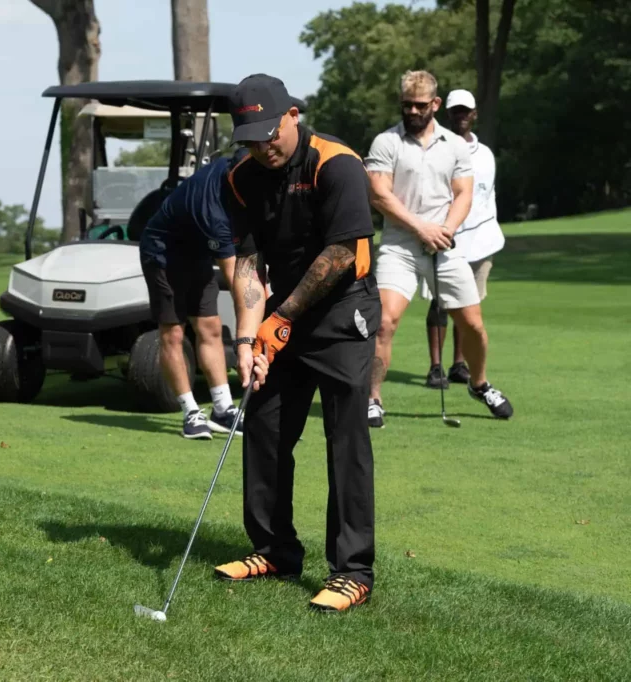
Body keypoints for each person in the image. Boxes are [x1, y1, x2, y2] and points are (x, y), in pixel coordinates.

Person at [213, 73, 379, 614]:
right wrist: (246, 335)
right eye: (251, 136)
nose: (264, 145)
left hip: (341, 311)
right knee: (263, 426)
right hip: (280, 313)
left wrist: (280, 320)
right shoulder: (241, 177)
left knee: (345, 438)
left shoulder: (338, 164)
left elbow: (339, 254)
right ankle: (274, 550)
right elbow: (247, 261)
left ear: (294, 115)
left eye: (270, 132)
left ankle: (352, 570)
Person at [364, 70, 513, 428]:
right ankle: (372, 399)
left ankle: (479, 384)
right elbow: (378, 194)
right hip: (400, 244)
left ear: (435, 104)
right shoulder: (386, 143)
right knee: (384, 322)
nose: (413, 112)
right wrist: (420, 227)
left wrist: (444, 230)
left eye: (420, 105)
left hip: (445, 245)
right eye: (406, 105)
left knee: (473, 326)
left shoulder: (455, 145)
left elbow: (463, 194)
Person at [138, 154, 244, 440]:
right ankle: (190, 412)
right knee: (173, 333)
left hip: (196, 252)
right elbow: (237, 280)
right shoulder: (214, 212)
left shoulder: (239, 169)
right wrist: (257, 328)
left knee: (209, 327)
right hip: (162, 253)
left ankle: (222, 408)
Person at [420, 89, 505, 388]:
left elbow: (486, 196)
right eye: (456, 111)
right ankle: (435, 367)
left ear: (474, 114)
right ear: (448, 114)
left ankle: (459, 364)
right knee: (439, 305)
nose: (461, 116)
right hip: (443, 235)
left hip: (479, 241)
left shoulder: (484, 155)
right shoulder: (433, 147)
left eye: (465, 111)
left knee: (467, 305)